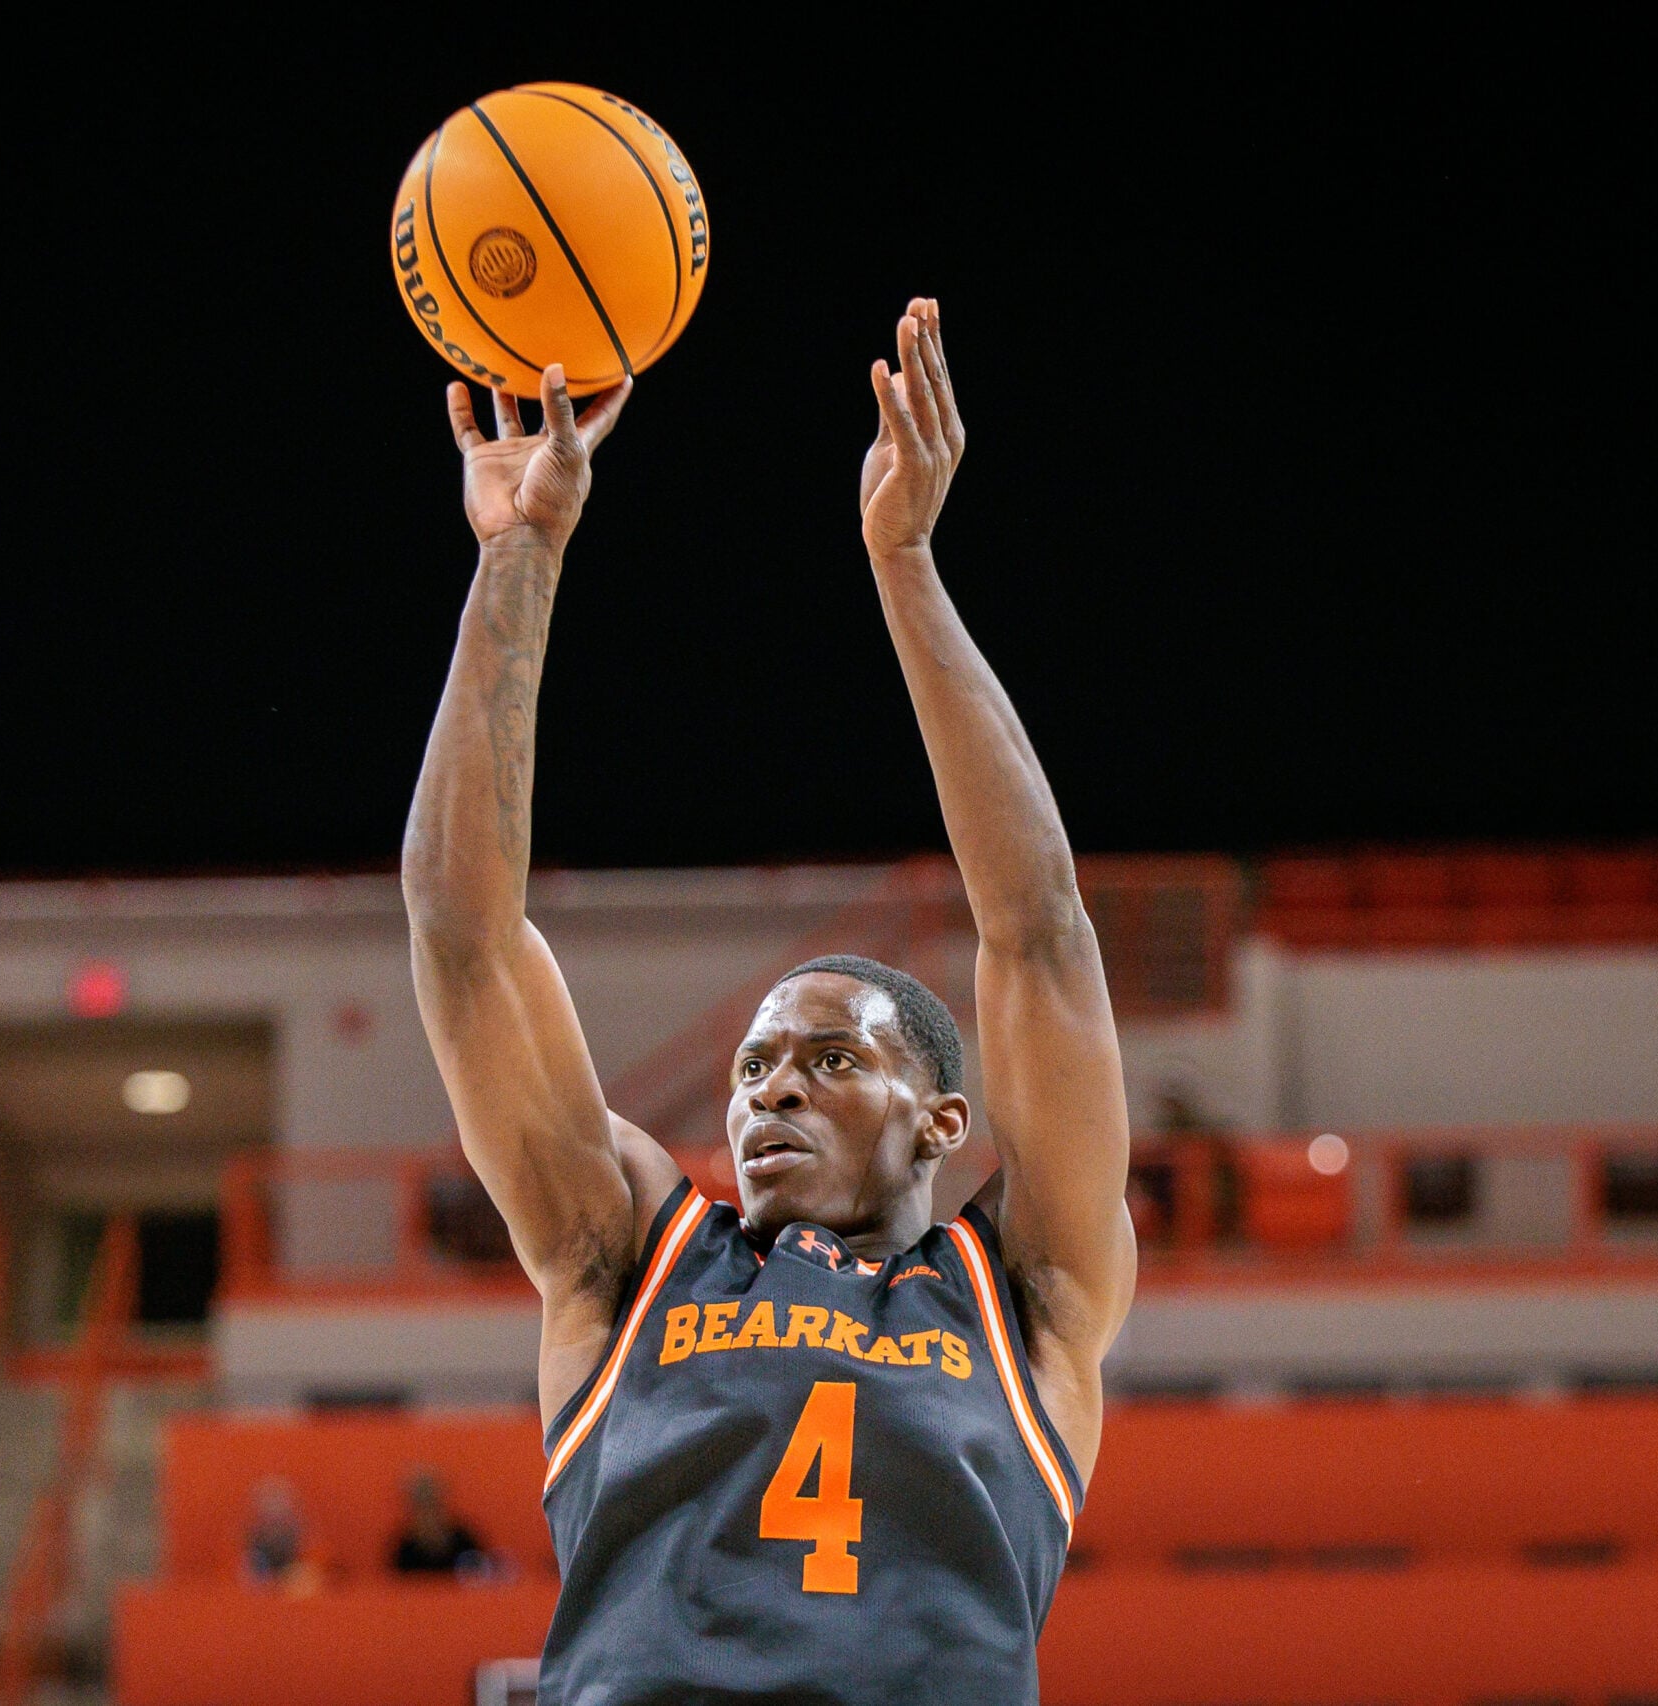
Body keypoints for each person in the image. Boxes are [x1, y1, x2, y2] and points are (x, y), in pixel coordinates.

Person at [402, 305, 1135, 1703]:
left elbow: (1039, 936)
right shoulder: (627, 1256)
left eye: (826, 1058)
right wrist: (518, 560)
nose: (768, 1089)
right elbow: (463, 938)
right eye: (750, 1066)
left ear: (941, 1118)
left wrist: (907, 567)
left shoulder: (1027, 1294)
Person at [387, 1469, 488, 1577]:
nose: (429, 1513)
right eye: (422, 1507)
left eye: (433, 1504)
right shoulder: (404, 1550)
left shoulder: (465, 1543)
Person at [238, 1477, 322, 1595]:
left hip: (286, 1565)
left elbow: (298, 1549)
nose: (275, 1507)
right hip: (263, 1565)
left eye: (279, 1503)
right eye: (271, 1503)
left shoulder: (292, 1527)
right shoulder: (256, 1526)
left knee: (302, 1579)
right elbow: (250, 1548)